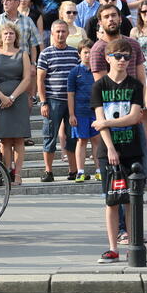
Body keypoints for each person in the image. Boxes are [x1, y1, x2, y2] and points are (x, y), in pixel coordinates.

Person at [92, 38, 146, 263]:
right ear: (108, 58)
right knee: (112, 200)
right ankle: (112, 246)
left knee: (131, 200)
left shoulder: (135, 85)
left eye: (126, 56)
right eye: (118, 56)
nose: (122, 60)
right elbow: (98, 117)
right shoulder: (99, 86)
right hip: (109, 152)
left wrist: (107, 124)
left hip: (132, 149)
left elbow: (135, 117)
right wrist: (111, 147)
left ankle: (133, 243)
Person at [0, 22, 32, 186]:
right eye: (5, 34)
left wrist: (12, 97)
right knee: (5, 140)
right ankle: (6, 173)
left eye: (11, 33)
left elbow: (27, 78)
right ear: (0, 36)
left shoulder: (23, 54)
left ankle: (17, 174)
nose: (8, 36)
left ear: (16, 36)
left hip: (18, 99)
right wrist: (2, 97)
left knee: (18, 139)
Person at [37, 21, 82, 181]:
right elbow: (40, 80)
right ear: (52, 33)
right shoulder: (46, 54)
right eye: (57, 32)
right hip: (53, 100)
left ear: (68, 33)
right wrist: (43, 102)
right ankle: (48, 171)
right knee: (50, 136)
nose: (60, 34)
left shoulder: (74, 53)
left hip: (72, 102)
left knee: (72, 137)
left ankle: (73, 170)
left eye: (63, 31)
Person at [67, 40, 99, 183]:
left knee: (96, 140)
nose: (88, 55)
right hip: (80, 111)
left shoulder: (98, 70)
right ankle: (80, 171)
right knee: (82, 140)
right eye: (85, 52)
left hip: (95, 111)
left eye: (90, 52)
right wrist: (72, 114)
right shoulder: (75, 72)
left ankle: (99, 170)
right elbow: (70, 94)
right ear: (79, 54)